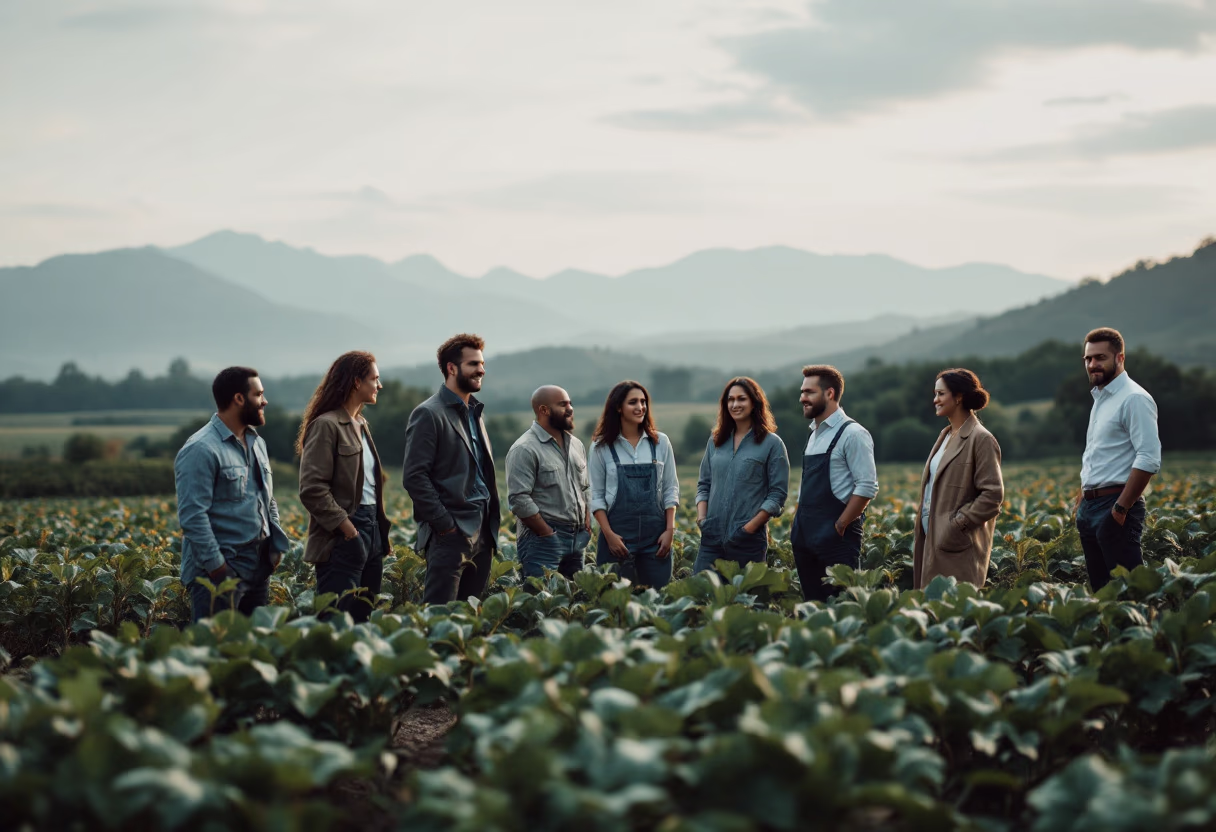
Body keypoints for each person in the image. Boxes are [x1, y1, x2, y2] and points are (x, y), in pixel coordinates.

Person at [175, 367, 290, 622]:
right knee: (218, 654)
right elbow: (193, 517)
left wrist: (274, 547)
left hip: (258, 568)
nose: (265, 401)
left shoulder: (257, 443)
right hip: (219, 574)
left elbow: (267, 497)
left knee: (252, 649)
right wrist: (219, 569)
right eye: (259, 394)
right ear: (239, 399)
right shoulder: (200, 449)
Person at [402, 333, 501, 604]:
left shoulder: (475, 413)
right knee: (440, 616)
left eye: (481, 363)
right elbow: (414, 477)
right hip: (451, 534)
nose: (481, 369)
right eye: (473, 364)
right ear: (451, 368)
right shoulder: (428, 413)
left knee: (469, 616)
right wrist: (446, 526)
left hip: (483, 531)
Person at [297, 351, 392, 621]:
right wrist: (347, 527)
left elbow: (370, 485)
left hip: (371, 529)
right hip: (342, 532)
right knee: (336, 619)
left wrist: (378, 531)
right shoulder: (326, 425)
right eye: (375, 378)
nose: (380, 385)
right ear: (355, 383)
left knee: (363, 616)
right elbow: (312, 488)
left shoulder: (361, 424)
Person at [1075, 327, 1161, 591]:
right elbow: (1099, 453)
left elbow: (1148, 458)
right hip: (1090, 508)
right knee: (1103, 593)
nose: (1092, 365)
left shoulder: (1134, 398)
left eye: (1100, 357)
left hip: (1117, 506)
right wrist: (1083, 496)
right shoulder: (1101, 397)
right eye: (1088, 359)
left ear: (1120, 358)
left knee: (1131, 592)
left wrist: (1121, 509)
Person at [790, 365, 878, 602]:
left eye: (809, 392)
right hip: (805, 537)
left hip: (836, 540)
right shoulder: (814, 434)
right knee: (812, 605)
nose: (802, 398)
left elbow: (867, 487)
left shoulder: (853, 434)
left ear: (829, 393)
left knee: (840, 605)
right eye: (802, 392)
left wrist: (840, 524)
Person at [913, 369, 1004, 589]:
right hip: (930, 541)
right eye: (935, 394)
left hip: (956, 546)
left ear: (959, 396)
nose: (935, 400)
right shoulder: (945, 435)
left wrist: (956, 525)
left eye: (941, 394)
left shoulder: (981, 438)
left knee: (955, 614)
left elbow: (992, 495)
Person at [693, 377, 789, 575]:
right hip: (711, 537)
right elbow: (704, 484)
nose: (735, 404)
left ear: (754, 403)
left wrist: (748, 529)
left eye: (742, 399)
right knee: (701, 596)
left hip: (748, 541)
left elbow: (777, 495)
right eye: (731, 400)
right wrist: (703, 519)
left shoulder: (772, 444)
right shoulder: (716, 441)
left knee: (743, 600)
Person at [589, 381, 679, 588]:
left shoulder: (661, 442)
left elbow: (670, 488)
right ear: (619, 407)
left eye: (643, 401)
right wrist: (609, 536)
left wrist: (669, 530)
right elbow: (595, 495)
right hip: (617, 538)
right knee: (615, 605)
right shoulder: (601, 447)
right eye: (633, 402)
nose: (640, 407)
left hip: (656, 539)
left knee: (657, 601)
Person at [505, 386, 592, 580]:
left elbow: (585, 486)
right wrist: (547, 534)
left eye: (570, 403)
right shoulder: (524, 449)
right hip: (543, 541)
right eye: (562, 404)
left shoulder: (576, 445)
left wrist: (587, 520)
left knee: (573, 599)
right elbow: (519, 499)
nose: (570, 408)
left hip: (577, 539)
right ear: (544, 410)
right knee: (542, 602)